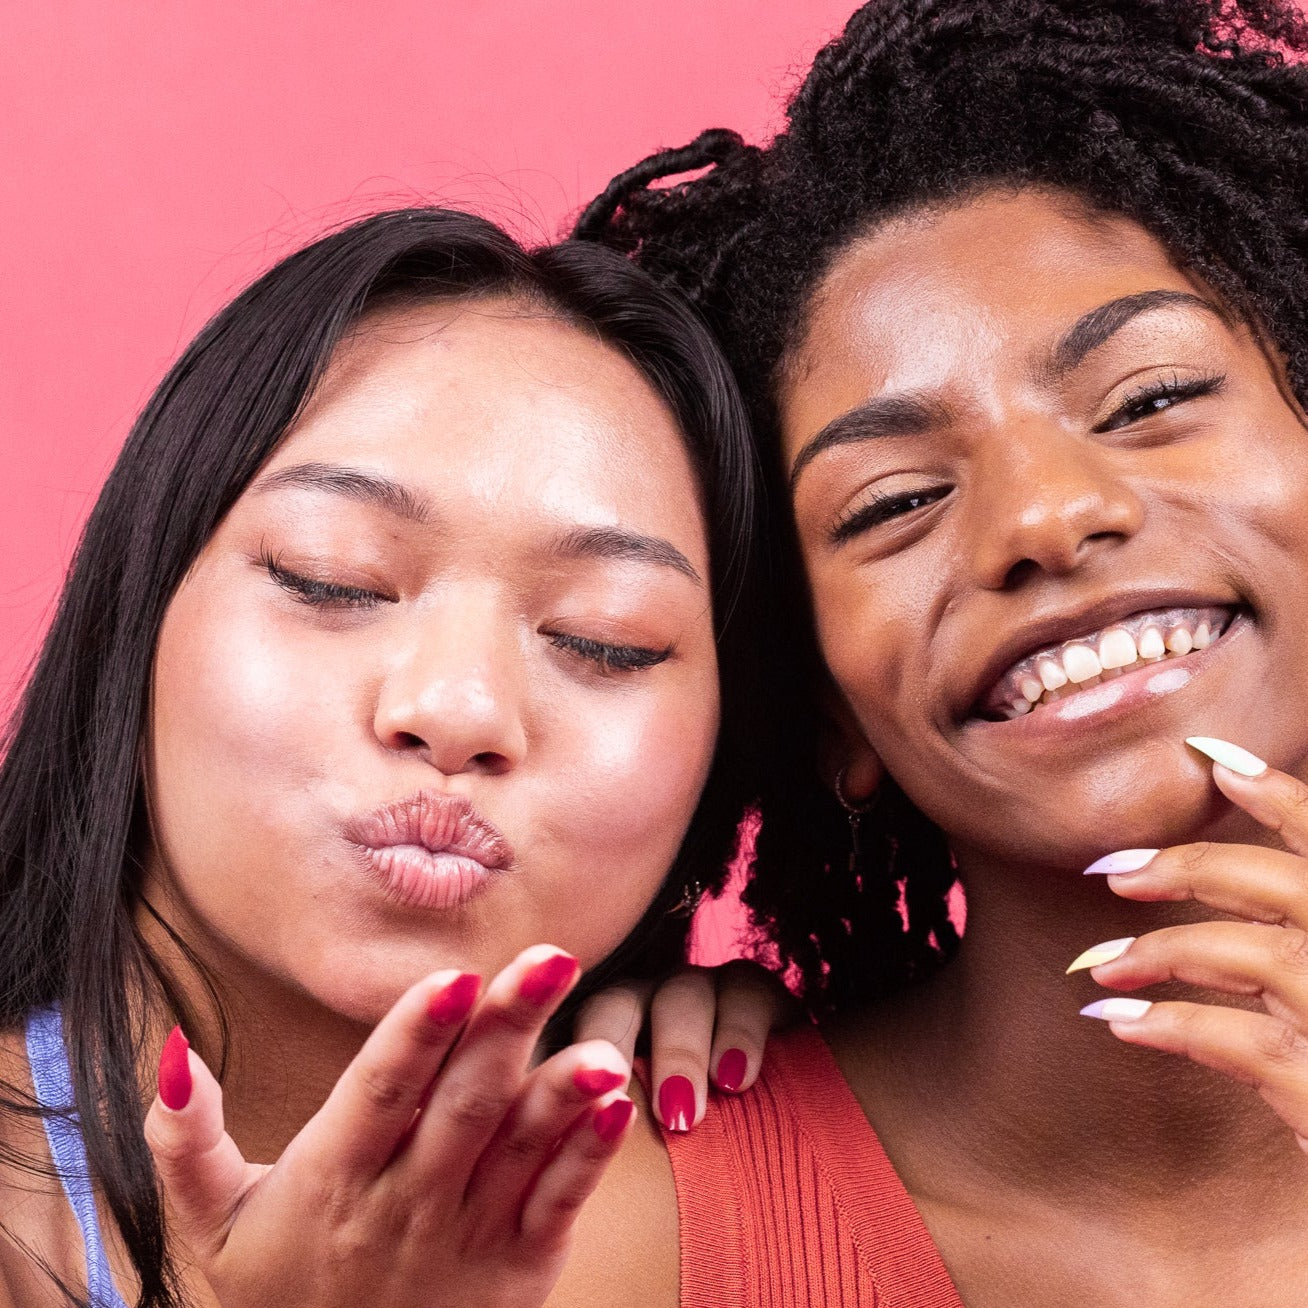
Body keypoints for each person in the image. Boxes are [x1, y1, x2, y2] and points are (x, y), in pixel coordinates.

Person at [573, 0, 1308, 1302]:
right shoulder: (627, 1233)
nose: (1041, 517)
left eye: (1150, 399)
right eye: (894, 503)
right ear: (822, 706)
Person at [0, 206, 768, 1307]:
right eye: (333, 579)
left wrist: (829, 1116)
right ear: (141, 606)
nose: (456, 710)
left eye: (606, 639)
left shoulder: (756, 1185)